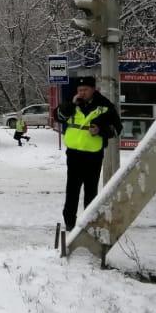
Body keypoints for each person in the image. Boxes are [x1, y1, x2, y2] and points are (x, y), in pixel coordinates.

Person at [57, 75, 121, 231]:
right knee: (72, 189)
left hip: (93, 155)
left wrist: (101, 130)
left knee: (91, 190)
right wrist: (70, 104)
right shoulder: (72, 103)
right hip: (73, 154)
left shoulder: (105, 106)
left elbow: (117, 128)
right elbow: (58, 117)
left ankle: (89, 221)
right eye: (79, 90)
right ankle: (70, 222)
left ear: (93, 89)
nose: (82, 93)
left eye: (85, 89)